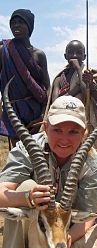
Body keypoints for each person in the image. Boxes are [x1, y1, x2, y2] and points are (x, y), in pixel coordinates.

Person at [0, 95, 97, 248]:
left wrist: (65, 239)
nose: (64, 139)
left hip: (71, 224)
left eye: (73, 131)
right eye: (57, 130)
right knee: (25, 187)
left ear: (84, 133)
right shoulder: (29, 147)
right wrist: (26, 198)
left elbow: (89, 215)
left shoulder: (91, 163)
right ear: (46, 127)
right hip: (38, 218)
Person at [0, 9, 50, 146]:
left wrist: (42, 115)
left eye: (21, 22)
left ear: (29, 26)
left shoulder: (39, 54)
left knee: (37, 152)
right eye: (13, 22)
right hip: (13, 110)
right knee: (17, 153)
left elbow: (47, 87)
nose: (16, 25)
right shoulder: (4, 50)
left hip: (36, 110)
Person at [47, 39, 97, 153]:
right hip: (62, 123)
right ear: (65, 55)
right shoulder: (59, 78)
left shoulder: (90, 75)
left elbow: (86, 92)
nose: (74, 55)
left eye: (79, 53)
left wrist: (78, 69)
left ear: (84, 56)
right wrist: (76, 89)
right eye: (71, 52)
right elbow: (56, 102)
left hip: (84, 123)